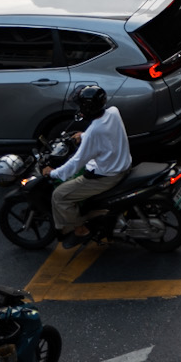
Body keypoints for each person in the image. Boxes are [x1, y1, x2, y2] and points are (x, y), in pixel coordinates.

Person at [46, 84, 131, 245]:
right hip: (122, 166)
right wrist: (83, 136)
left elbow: (77, 161)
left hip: (107, 176)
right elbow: (106, 133)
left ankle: (80, 229)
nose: (79, 109)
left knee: (59, 195)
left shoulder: (94, 131)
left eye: (81, 106)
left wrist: (53, 173)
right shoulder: (113, 112)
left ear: (88, 108)